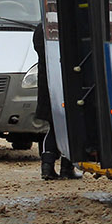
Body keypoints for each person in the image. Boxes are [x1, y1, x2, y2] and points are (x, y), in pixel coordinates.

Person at [32, 23, 75, 180]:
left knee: (54, 127)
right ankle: (65, 167)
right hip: (61, 83)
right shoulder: (64, 24)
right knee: (68, 127)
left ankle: (48, 166)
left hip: (47, 84)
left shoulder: (42, 29)